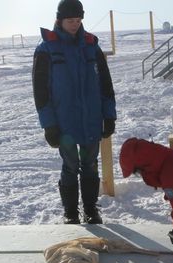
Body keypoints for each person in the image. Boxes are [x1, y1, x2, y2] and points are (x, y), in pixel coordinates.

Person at [32, 0, 117, 224]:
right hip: (65, 121)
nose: (75, 25)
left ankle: (91, 209)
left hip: (90, 118)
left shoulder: (91, 45)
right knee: (70, 166)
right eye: (71, 20)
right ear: (60, 20)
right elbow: (40, 93)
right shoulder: (46, 48)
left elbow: (106, 84)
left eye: (79, 20)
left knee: (90, 164)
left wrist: (109, 114)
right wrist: (48, 124)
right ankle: (71, 213)